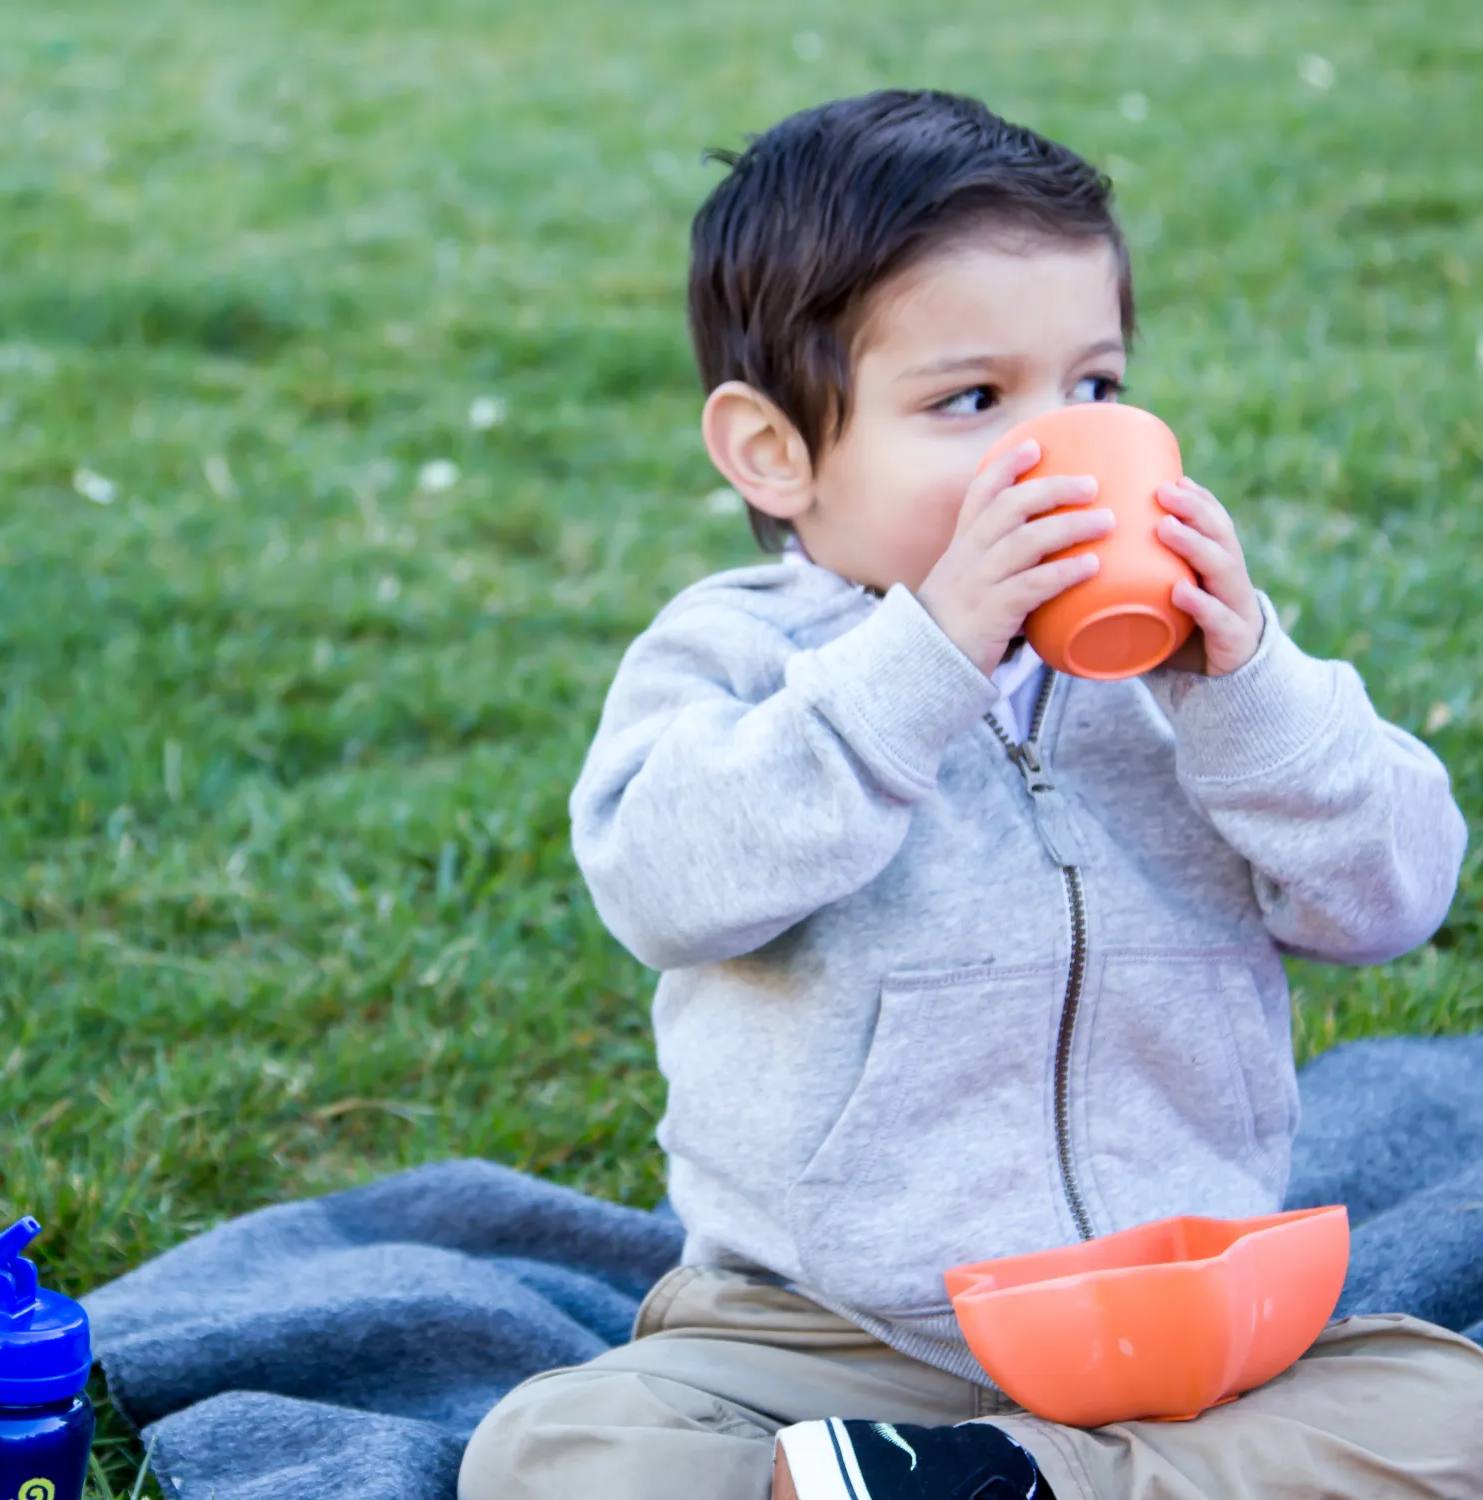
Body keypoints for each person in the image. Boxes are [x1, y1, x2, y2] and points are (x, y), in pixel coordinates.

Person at [459, 89, 1481, 1500]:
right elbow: (661, 879)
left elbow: (1398, 894)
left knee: (1458, 1405)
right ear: (775, 450)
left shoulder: (1198, 681)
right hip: (829, 1334)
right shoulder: (742, 655)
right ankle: (967, 1476)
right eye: (974, 401)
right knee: (558, 1452)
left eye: (1099, 390)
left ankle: (1006, 1482)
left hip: (1179, 1322)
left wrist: (1247, 691)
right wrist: (924, 663)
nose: (1051, 448)